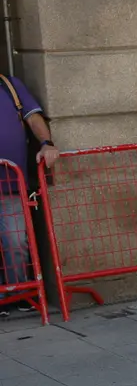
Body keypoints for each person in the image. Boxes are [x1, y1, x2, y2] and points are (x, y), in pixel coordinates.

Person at [0, 73, 59, 316]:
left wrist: (46, 143)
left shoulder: (9, 84)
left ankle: (18, 293)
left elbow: (33, 118)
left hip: (11, 183)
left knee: (15, 241)